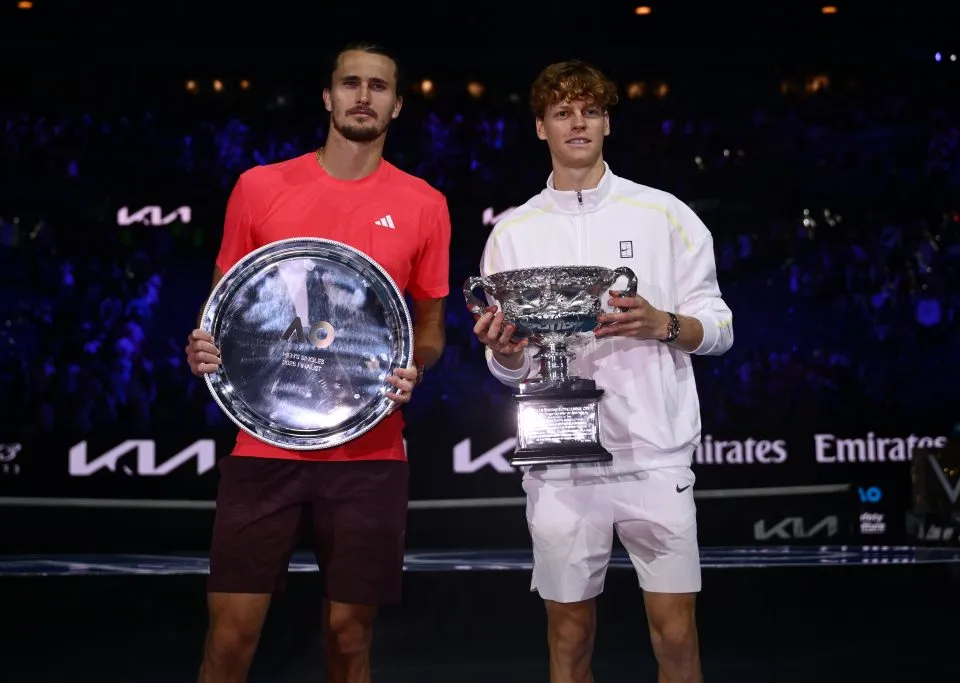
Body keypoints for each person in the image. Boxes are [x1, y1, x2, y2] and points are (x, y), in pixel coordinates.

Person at [185, 42, 451, 683]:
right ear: (328, 96)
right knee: (230, 636)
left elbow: (432, 331)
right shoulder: (259, 187)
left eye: (379, 86)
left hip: (371, 453)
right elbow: (225, 309)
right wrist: (202, 344)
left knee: (349, 636)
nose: (365, 95)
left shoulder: (425, 204)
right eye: (351, 83)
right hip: (264, 446)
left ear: (397, 104)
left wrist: (416, 366)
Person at [473, 59, 733, 683]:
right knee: (569, 640)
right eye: (562, 111)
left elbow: (718, 326)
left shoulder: (664, 213)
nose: (578, 122)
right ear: (542, 128)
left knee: (676, 638)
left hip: (655, 453)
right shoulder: (512, 232)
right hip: (560, 464)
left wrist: (662, 324)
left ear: (607, 121)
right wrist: (506, 353)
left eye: (589, 110)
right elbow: (509, 366)